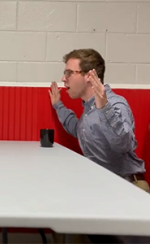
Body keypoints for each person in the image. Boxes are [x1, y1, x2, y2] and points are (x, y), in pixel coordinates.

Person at [49, 48, 149, 243]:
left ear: (88, 76)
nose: (64, 78)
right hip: (102, 190)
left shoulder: (116, 104)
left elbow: (123, 144)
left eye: (70, 72)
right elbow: (77, 129)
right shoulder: (88, 109)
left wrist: (105, 108)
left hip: (127, 190)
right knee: (61, 218)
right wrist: (58, 106)